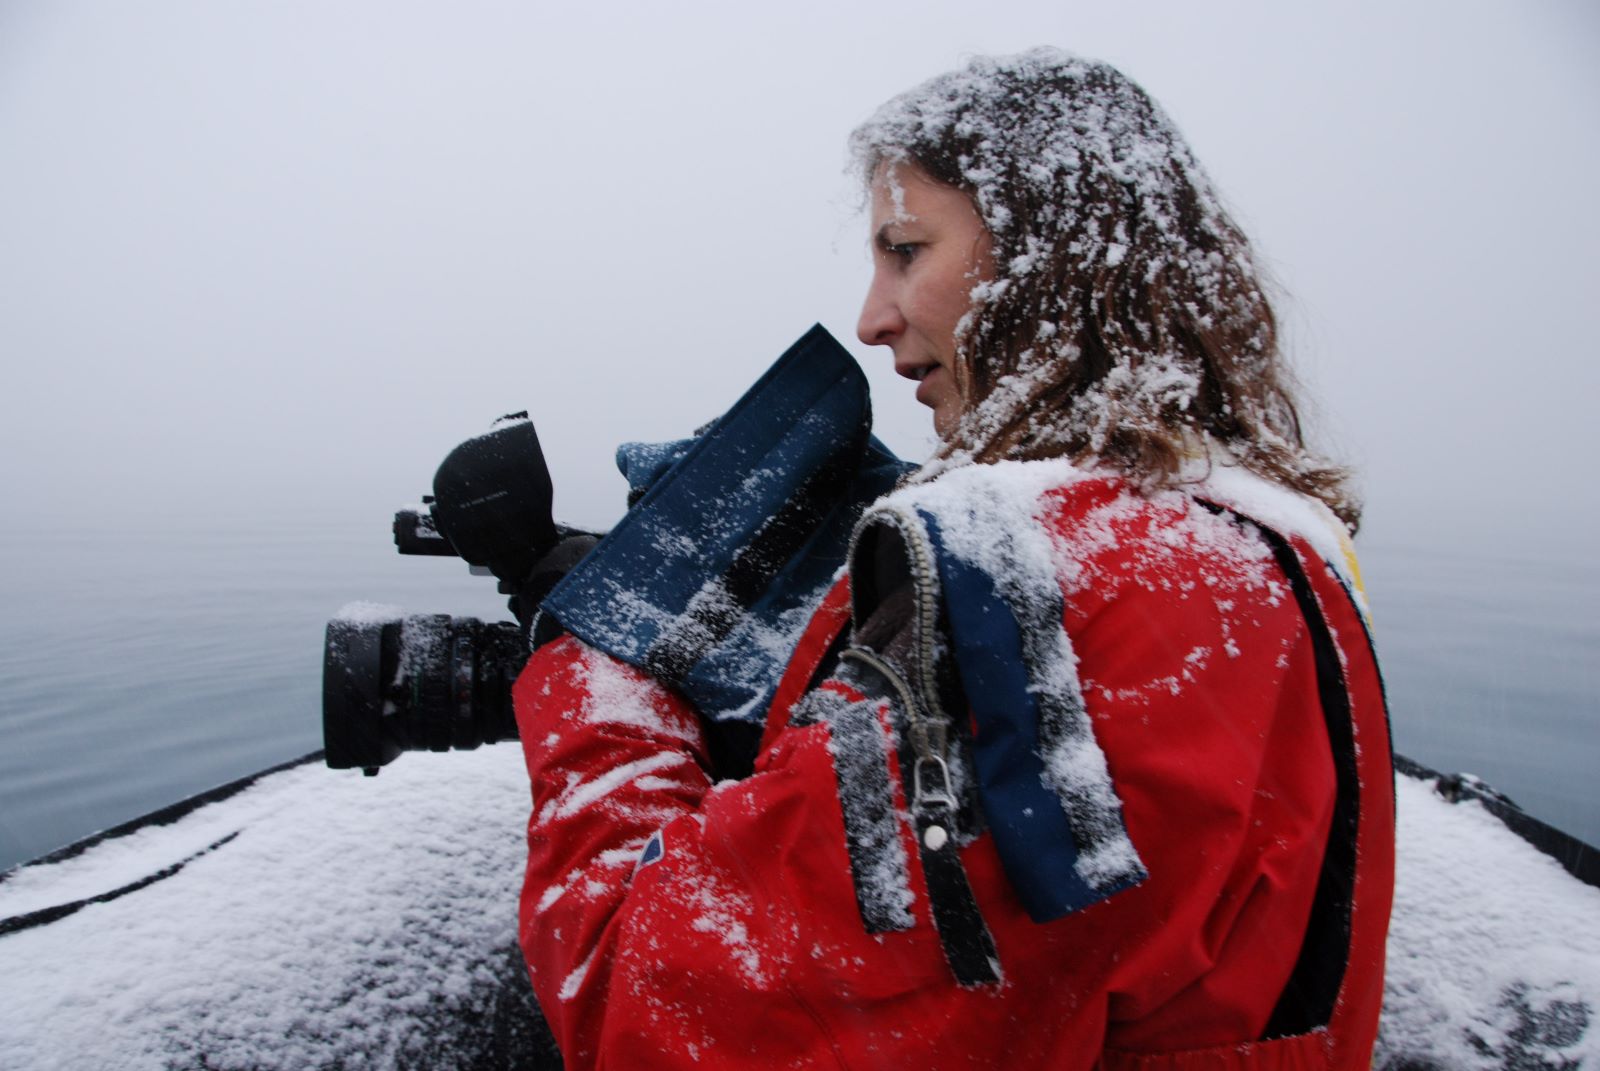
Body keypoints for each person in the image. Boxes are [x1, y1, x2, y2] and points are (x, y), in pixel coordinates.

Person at [512, 49, 1394, 1070]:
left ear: (1047, 260)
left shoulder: (1042, 595)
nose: (870, 318)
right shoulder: (1267, 543)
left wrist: (599, 667)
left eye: (904, 250)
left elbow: (649, 1008)